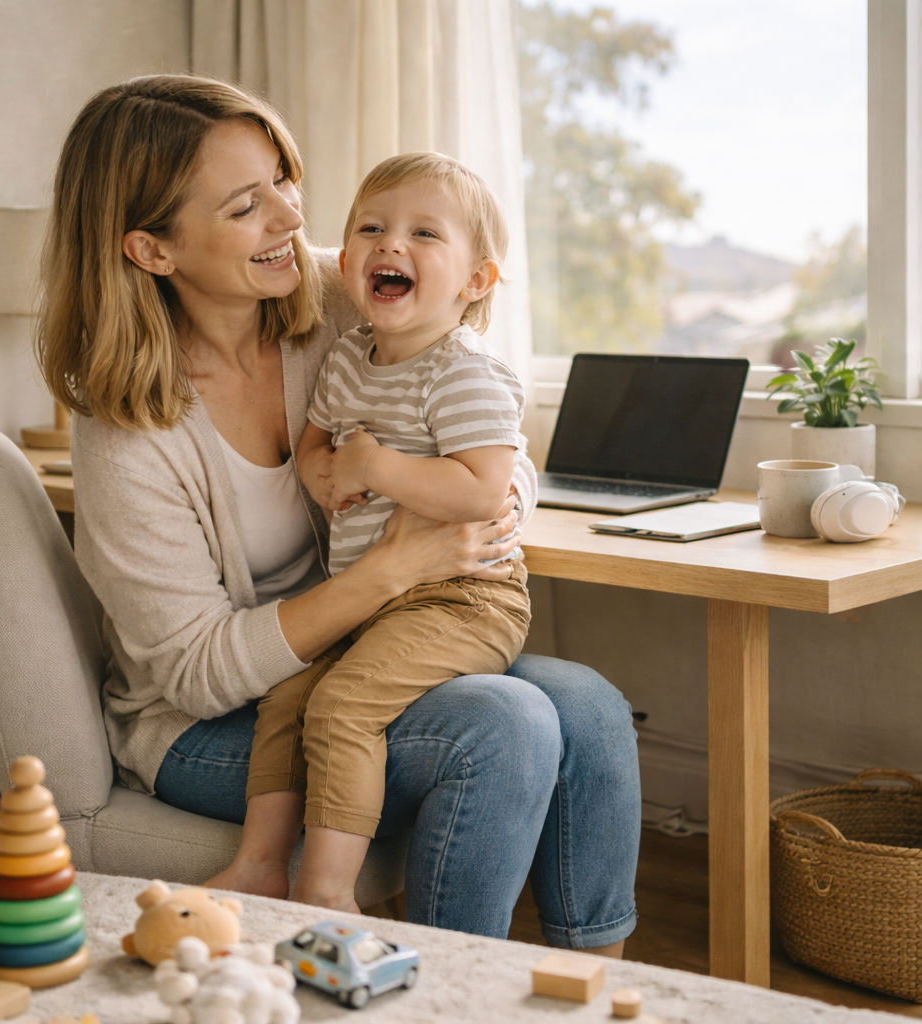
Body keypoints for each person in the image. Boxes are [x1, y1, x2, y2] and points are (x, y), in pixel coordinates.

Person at [38, 73, 640, 953]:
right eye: (247, 205)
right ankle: (443, 996)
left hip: (364, 640)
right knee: (503, 725)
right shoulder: (128, 428)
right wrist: (394, 567)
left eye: (285, 181)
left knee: (585, 705)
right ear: (151, 250)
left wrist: (503, 499)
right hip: (208, 721)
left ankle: (590, 984)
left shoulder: (336, 297)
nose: (290, 219)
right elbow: (197, 672)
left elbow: (471, 399)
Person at [234, 152, 531, 912]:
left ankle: (327, 891)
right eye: (371, 228)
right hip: (369, 595)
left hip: (461, 600)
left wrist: (374, 462)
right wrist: (320, 473)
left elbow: (482, 489)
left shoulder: (463, 372)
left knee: (343, 708)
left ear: (475, 282)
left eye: (424, 234)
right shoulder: (347, 358)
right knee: (286, 699)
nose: (390, 244)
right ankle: (258, 864)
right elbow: (315, 442)